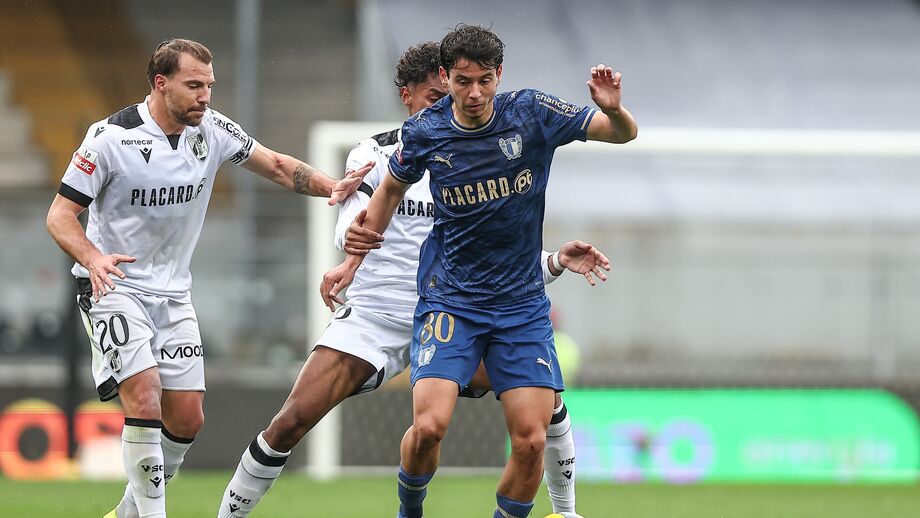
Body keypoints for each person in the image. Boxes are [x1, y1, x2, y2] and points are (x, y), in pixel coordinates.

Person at [216, 41, 609, 518]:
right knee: (291, 420)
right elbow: (351, 226)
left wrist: (550, 263)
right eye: (434, 97)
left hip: (459, 310)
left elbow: (495, 250)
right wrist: (350, 252)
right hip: (383, 312)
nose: (451, 105)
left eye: (455, 93)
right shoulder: (378, 154)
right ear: (406, 96)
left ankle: (565, 511)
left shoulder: (488, 147)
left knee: (543, 409)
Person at [45, 38, 372, 518]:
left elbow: (279, 167)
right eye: (193, 85)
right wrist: (93, 258)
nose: (205, 97)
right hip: (112, 285)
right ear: (161, 83)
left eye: (210, 86)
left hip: (173, 293)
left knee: (189, 416)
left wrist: (332, 187)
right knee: (145, 393)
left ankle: (128, 513)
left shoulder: (212, 129)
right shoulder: (109, 138)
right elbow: (59, 216)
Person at [322, 25, 637, 518]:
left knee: (532, 441)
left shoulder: (531, 112)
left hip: (521, 307)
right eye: (463, 81)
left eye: (485, 81)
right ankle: (410, 511)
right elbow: (387, 190)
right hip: (451, 300)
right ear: (445, 77)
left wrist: (614, 108)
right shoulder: (426, 131)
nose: (474, 93)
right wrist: (353, 260)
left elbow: (622, 134)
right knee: (428, 428)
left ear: (499, 76)